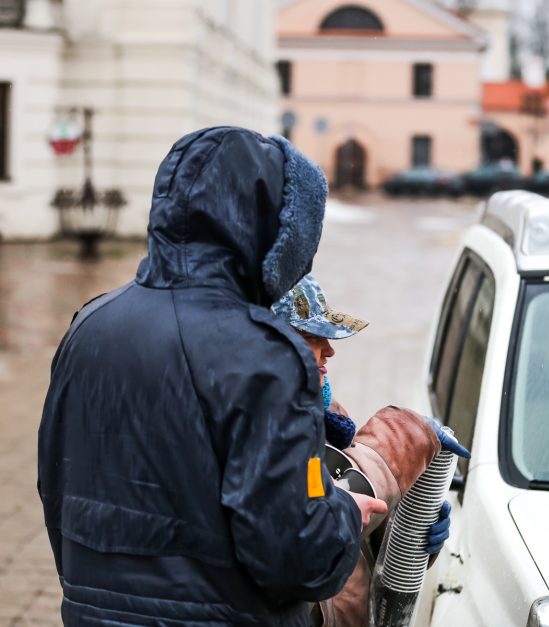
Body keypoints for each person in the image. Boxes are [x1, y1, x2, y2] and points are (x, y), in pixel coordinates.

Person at [38, 127, 385, 624]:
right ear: (280, 232)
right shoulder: (266, 353)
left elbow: (57, 491)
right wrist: (344, 514)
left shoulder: (91, 323)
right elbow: (298, 559)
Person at [271, 275, 468, 627]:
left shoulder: (331, 423)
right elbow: (314, 527)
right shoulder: (258, 438)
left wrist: (409, 533)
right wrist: (406, 433)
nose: (329, 350)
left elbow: (355, 542)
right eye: (311, 337)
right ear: (270, 345)